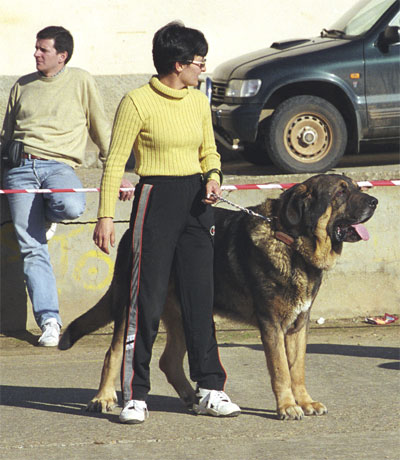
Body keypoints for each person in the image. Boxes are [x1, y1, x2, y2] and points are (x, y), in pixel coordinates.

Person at [93, 21, 241, 424]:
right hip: (155, 201)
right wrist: (106, 216)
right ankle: (135, 394)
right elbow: (113, 164)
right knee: (148, 301)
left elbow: (210, 151)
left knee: (200, 300)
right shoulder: (136, 101)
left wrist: (213, 177)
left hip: (197, 204)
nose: (203, 69)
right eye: (199, 62)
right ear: (178, 64)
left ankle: (211, 387)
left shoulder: (197, 101)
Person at [1, 26, 133, 347]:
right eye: (35, 48)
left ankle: (49, 215)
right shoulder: (22, 86)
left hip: (59, 167)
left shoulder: (81, 81)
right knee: (33, 249)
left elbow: (100, 127)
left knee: (72, 205)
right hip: (20, 170)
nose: (36, 54)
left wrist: (116, 173)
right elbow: (6, 136)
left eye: (43, 50)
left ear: (62, 56)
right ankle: (49, 320)